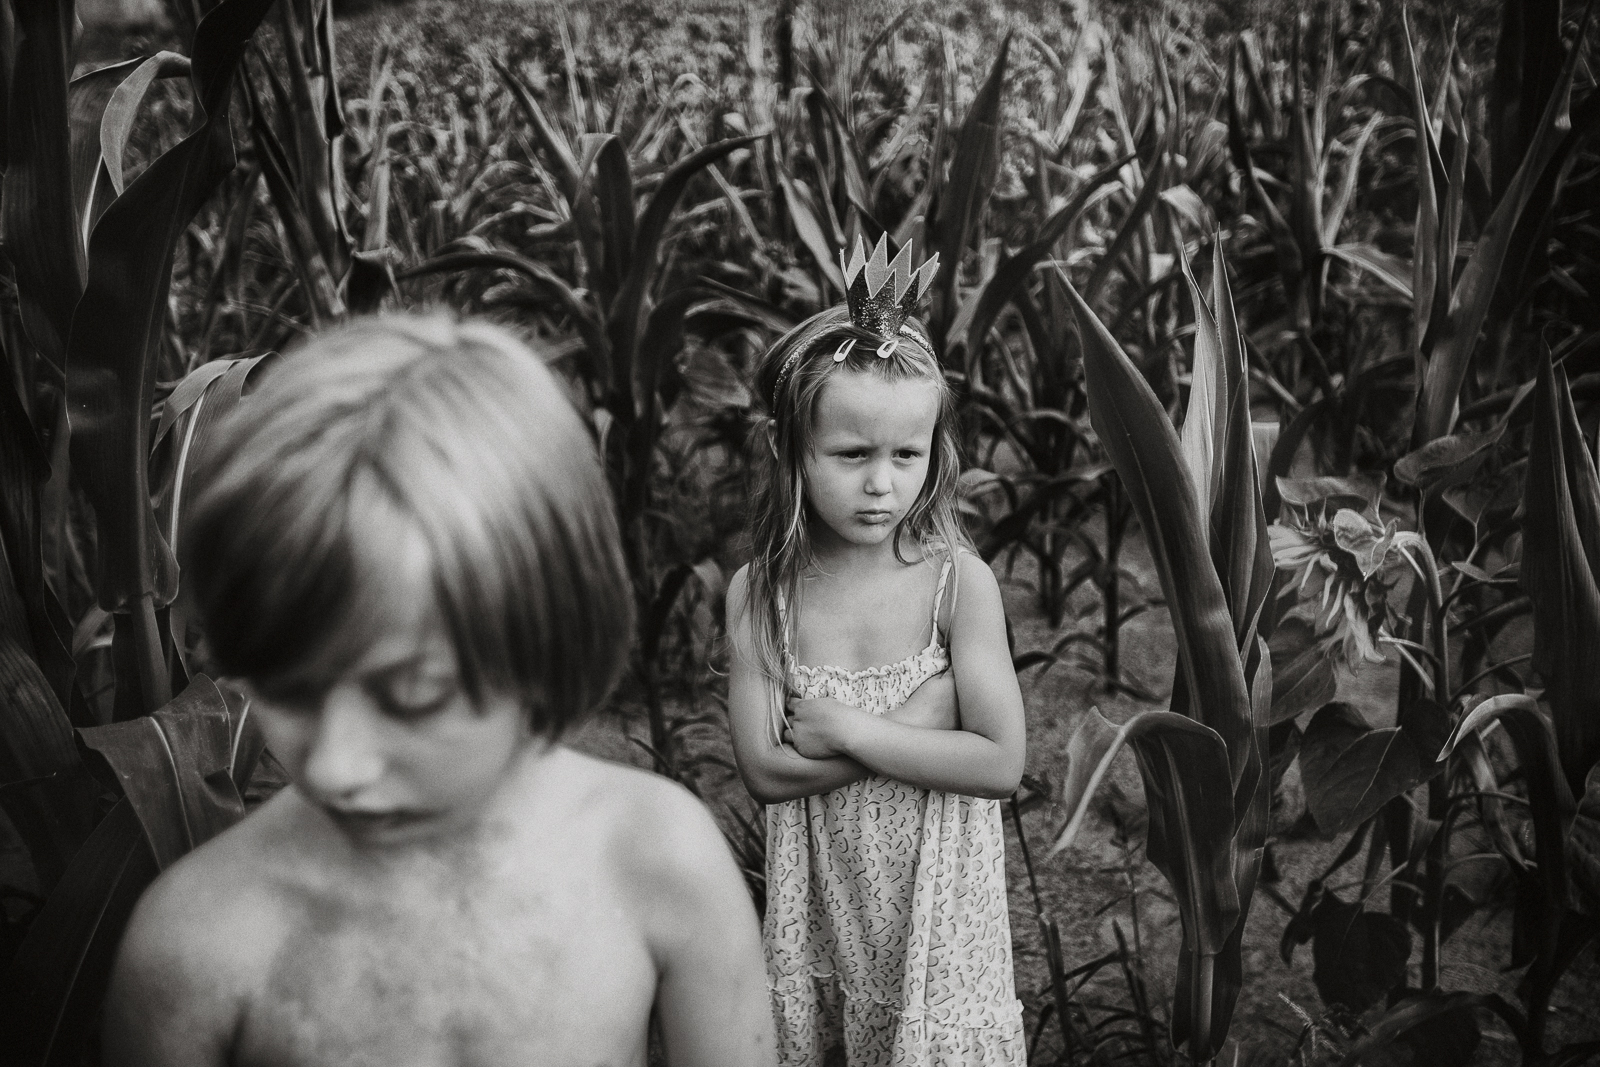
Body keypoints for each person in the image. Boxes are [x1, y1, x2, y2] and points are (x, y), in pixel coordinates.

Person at [103, 314, 776, 1067]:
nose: (333, 765)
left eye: (411, 696)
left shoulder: (659, 859)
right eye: (288, 687)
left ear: (545, 639)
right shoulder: (196, 946)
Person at [726, 236, 1028, 1065]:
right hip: (826, 910)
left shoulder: (957, 584)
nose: (881, 485)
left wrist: (860, 730)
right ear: (792, 451)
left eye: (907, 454)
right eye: (852, 455)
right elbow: (765, 770)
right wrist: (920, 722)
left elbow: (1001, 761)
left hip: (939, 921)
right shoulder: (761, 594)